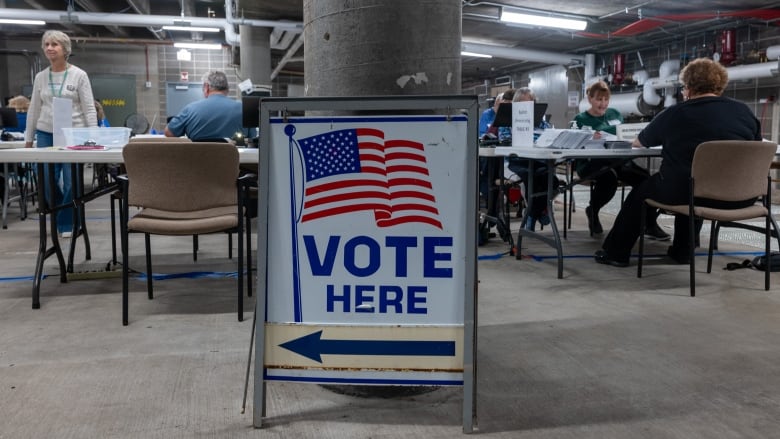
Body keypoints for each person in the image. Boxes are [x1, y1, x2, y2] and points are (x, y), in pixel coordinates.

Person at [595, 58, 762, 267]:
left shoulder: (675, 113)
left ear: (688, 88)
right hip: (740, 196)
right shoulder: (744, 112)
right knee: (698, 183)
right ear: (719, 85)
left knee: (643, 190)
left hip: (689, 192)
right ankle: (683, 252)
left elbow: (639, 142)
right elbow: (755, 147)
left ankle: (615, 253)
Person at [572, 80, 668, 240]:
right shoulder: (580, 119)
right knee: (608, 179)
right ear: (590, 99)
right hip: (590, 163)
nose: (603, 104)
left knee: (648, 181)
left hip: (618, 160)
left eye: (605, 100)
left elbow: (622, 134)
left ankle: (649, 224)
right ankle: (593, 211)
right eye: (598, 99)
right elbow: (576, 144)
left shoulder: (615, 114)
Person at [25, 30, 97, 238]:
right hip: (46, 132)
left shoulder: (79, 75)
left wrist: (94, 137)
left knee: (72, 180)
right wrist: (29, 139)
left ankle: (66, 223)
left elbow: (89, 109)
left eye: (54, 44)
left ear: (65, 49)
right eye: (46, 44)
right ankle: (62, 215)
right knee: (47, 181)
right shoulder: (41, 77)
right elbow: (34, 109)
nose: (49, 48)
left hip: (74, 133)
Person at [506, 87, 557, 230]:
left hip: (539, 160)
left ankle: (532, 214)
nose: (528, 107)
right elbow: (504, 140)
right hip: (519, 160)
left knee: (553, 181)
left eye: (531, 103)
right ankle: (539, 212)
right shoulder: (509, 121)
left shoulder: (542, 122)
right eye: (523, 103)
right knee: (532, 179)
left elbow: (550, 137)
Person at [164, 70, 244, 141]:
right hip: (234, 157)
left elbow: (169, 133)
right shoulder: (242, 109)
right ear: (227, 89)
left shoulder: (190, 109)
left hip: (198, 157)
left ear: (206, 87)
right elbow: (253, 137)